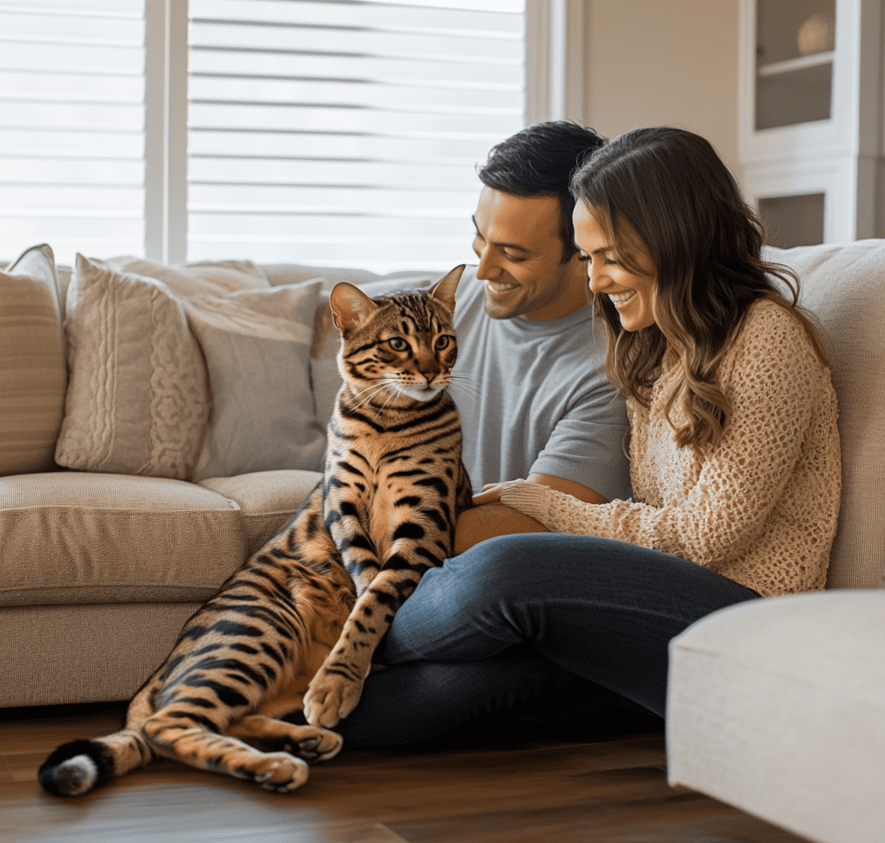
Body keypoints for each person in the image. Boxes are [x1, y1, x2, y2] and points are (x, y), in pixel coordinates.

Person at [325, 126, 841, 748]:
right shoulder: (654, 345)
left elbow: (705, 535)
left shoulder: (765, 341)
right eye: (589, 257)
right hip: (650, 610)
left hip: (749, 614)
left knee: (503, 570)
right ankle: (252, 706)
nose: (594, 282)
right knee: (425, 704)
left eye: (611, 258)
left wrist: (548, 507)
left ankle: (343, 631)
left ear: (674, 241)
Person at [450, 121, 632, 552]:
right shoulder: (451, 305)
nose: (483, 270)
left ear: (584, 251)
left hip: (488, 572)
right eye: (480, 236)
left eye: (512, 254)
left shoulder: (612, 369)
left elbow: (535, 526)